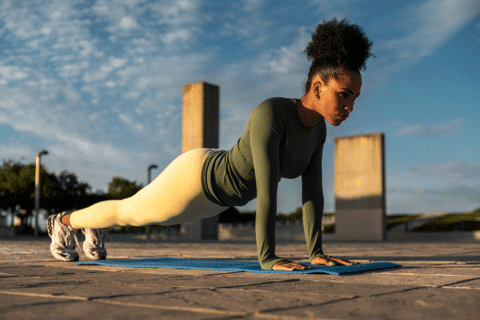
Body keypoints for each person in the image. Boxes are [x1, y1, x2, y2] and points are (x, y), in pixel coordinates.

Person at [48, 18, 373, 271]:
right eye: (343, 94)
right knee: (130, 212)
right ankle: (63, 222)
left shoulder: (318, 133)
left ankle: (92, 228)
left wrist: (316, 253)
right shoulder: (271, 113)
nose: (350, 106)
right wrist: (268, 258)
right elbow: (267, 190)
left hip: (222, 199)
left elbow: (312, 193)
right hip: (197, 177)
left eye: (354, 97)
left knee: (144, 217)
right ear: (317, 87)